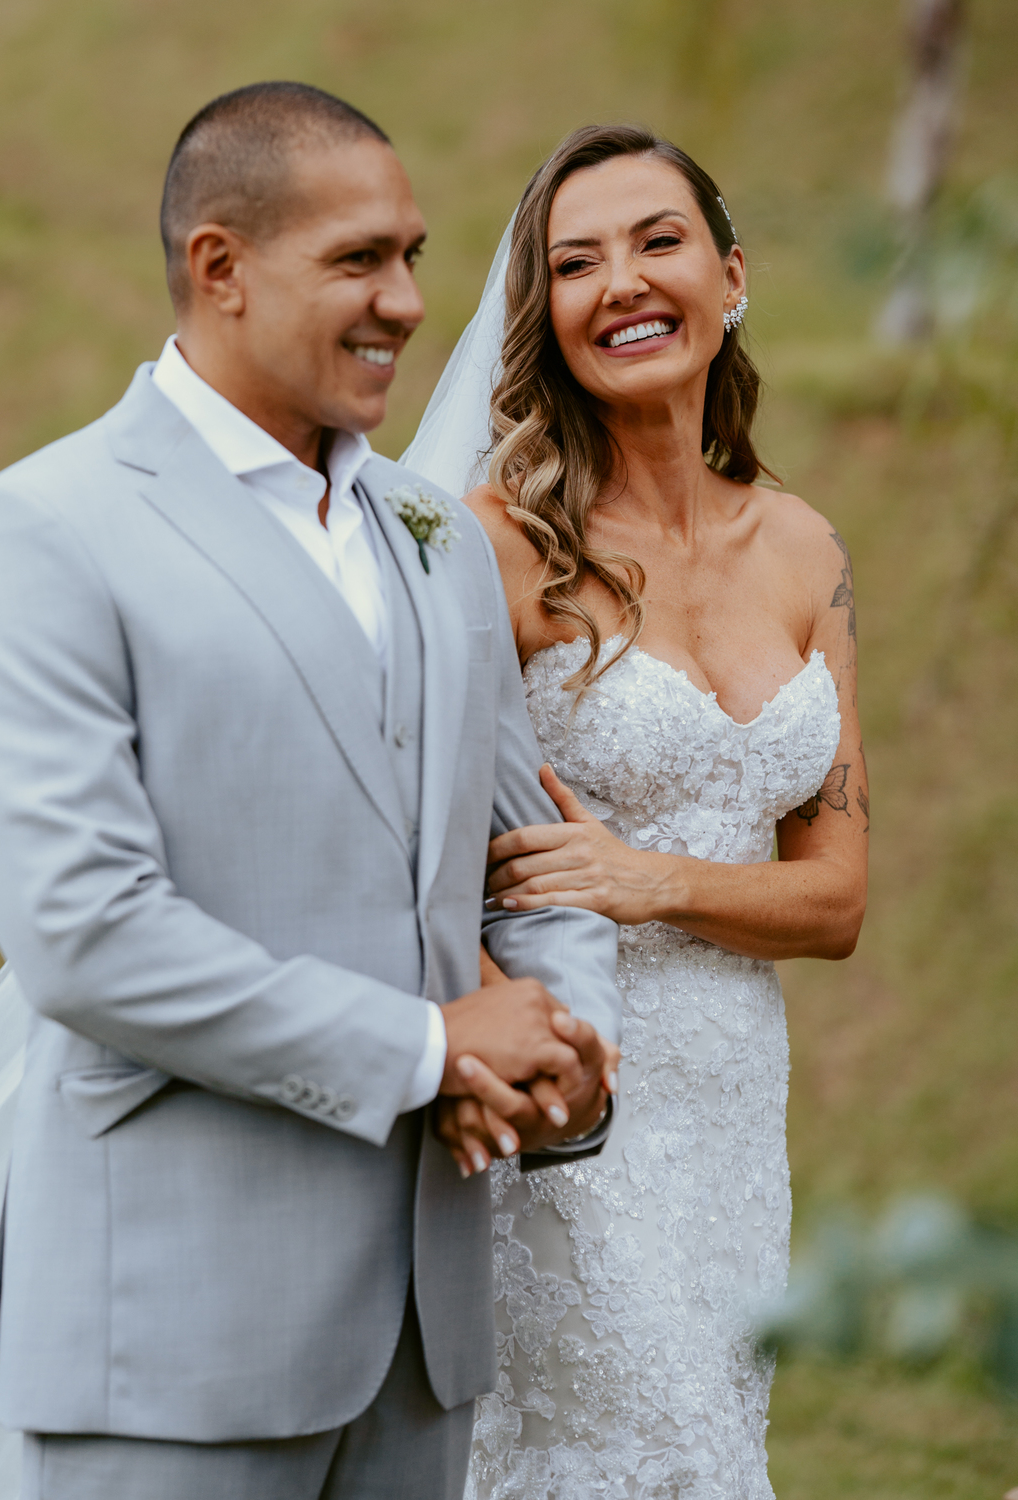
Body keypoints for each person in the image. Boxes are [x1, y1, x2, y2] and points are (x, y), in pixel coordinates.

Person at [0, 83, 623, 1500]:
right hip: (172, 1332)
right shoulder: (42, 531)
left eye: (412, 255)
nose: (408, 301)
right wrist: (434, 1050)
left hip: (423, 1336)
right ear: (220, 267)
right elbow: (85, 935)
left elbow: (530, 860)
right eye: (359, 260)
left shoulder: (436, 537)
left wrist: (565, 1050)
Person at [418, 125, 868, 1498]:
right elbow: (408, 852)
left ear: (731, 276)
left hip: (734, 1101)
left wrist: (650, 877)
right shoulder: (496, 546)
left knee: (714, 1442)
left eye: (658, 241)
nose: (621, 281)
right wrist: (505, 1035)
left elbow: (837, 899)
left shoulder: (805, 549)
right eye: (576, 262)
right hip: (573, 1085)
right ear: (545, 315)